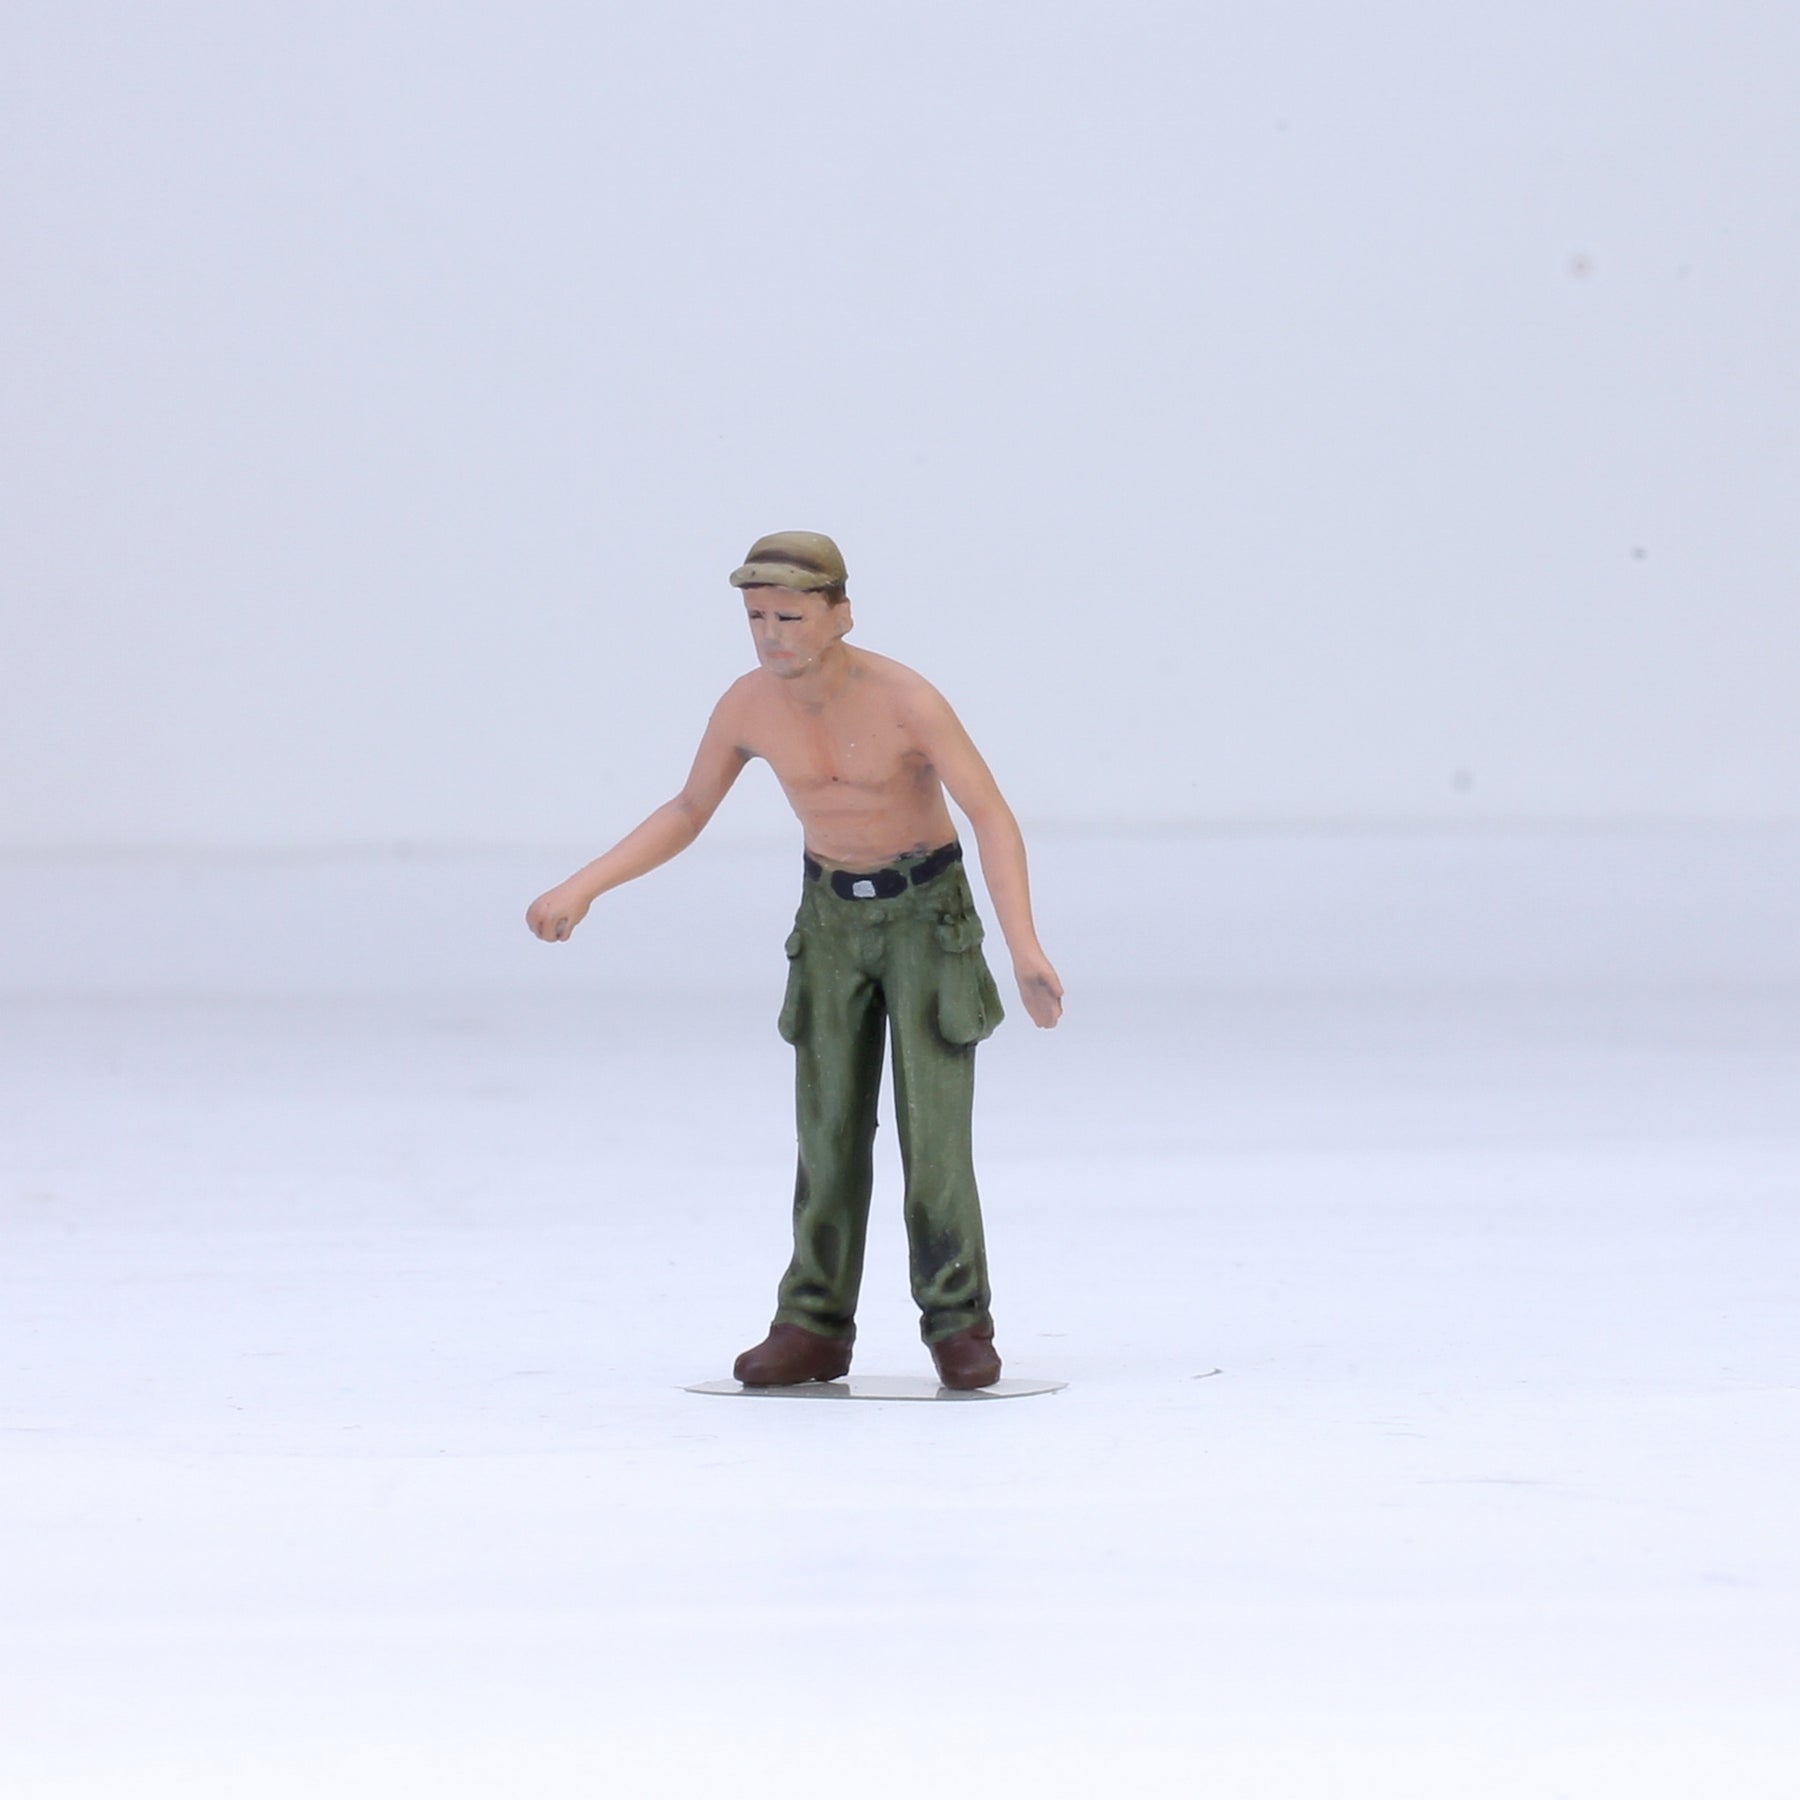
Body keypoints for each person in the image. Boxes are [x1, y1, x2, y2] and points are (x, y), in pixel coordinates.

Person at [526, 531, 1062, 1389]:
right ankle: (813, 1323)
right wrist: (584, 885)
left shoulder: (907, 700)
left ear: (840, 614)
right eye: (756, 618)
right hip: (829, 922)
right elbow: (689, 808)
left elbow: (989, 814)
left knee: (934, 1135)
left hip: (926, 916)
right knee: (827, 1132)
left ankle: (958, 1322)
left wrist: (1022, 943)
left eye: (790, 616)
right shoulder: (748, 706)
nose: (771, 635)